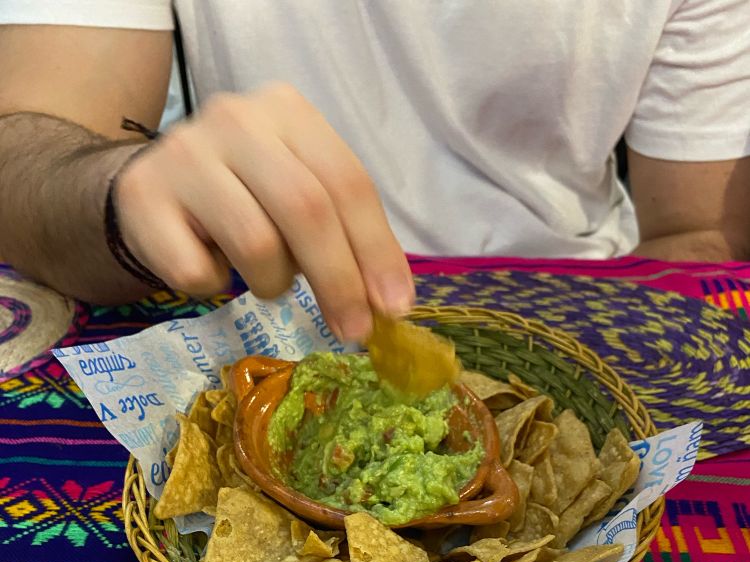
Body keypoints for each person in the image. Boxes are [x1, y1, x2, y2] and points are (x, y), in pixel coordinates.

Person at [1, 2, 749, 343]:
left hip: (576, 310)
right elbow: (26, 152)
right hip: (269, 316)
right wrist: (122, 193)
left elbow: (697, 235)